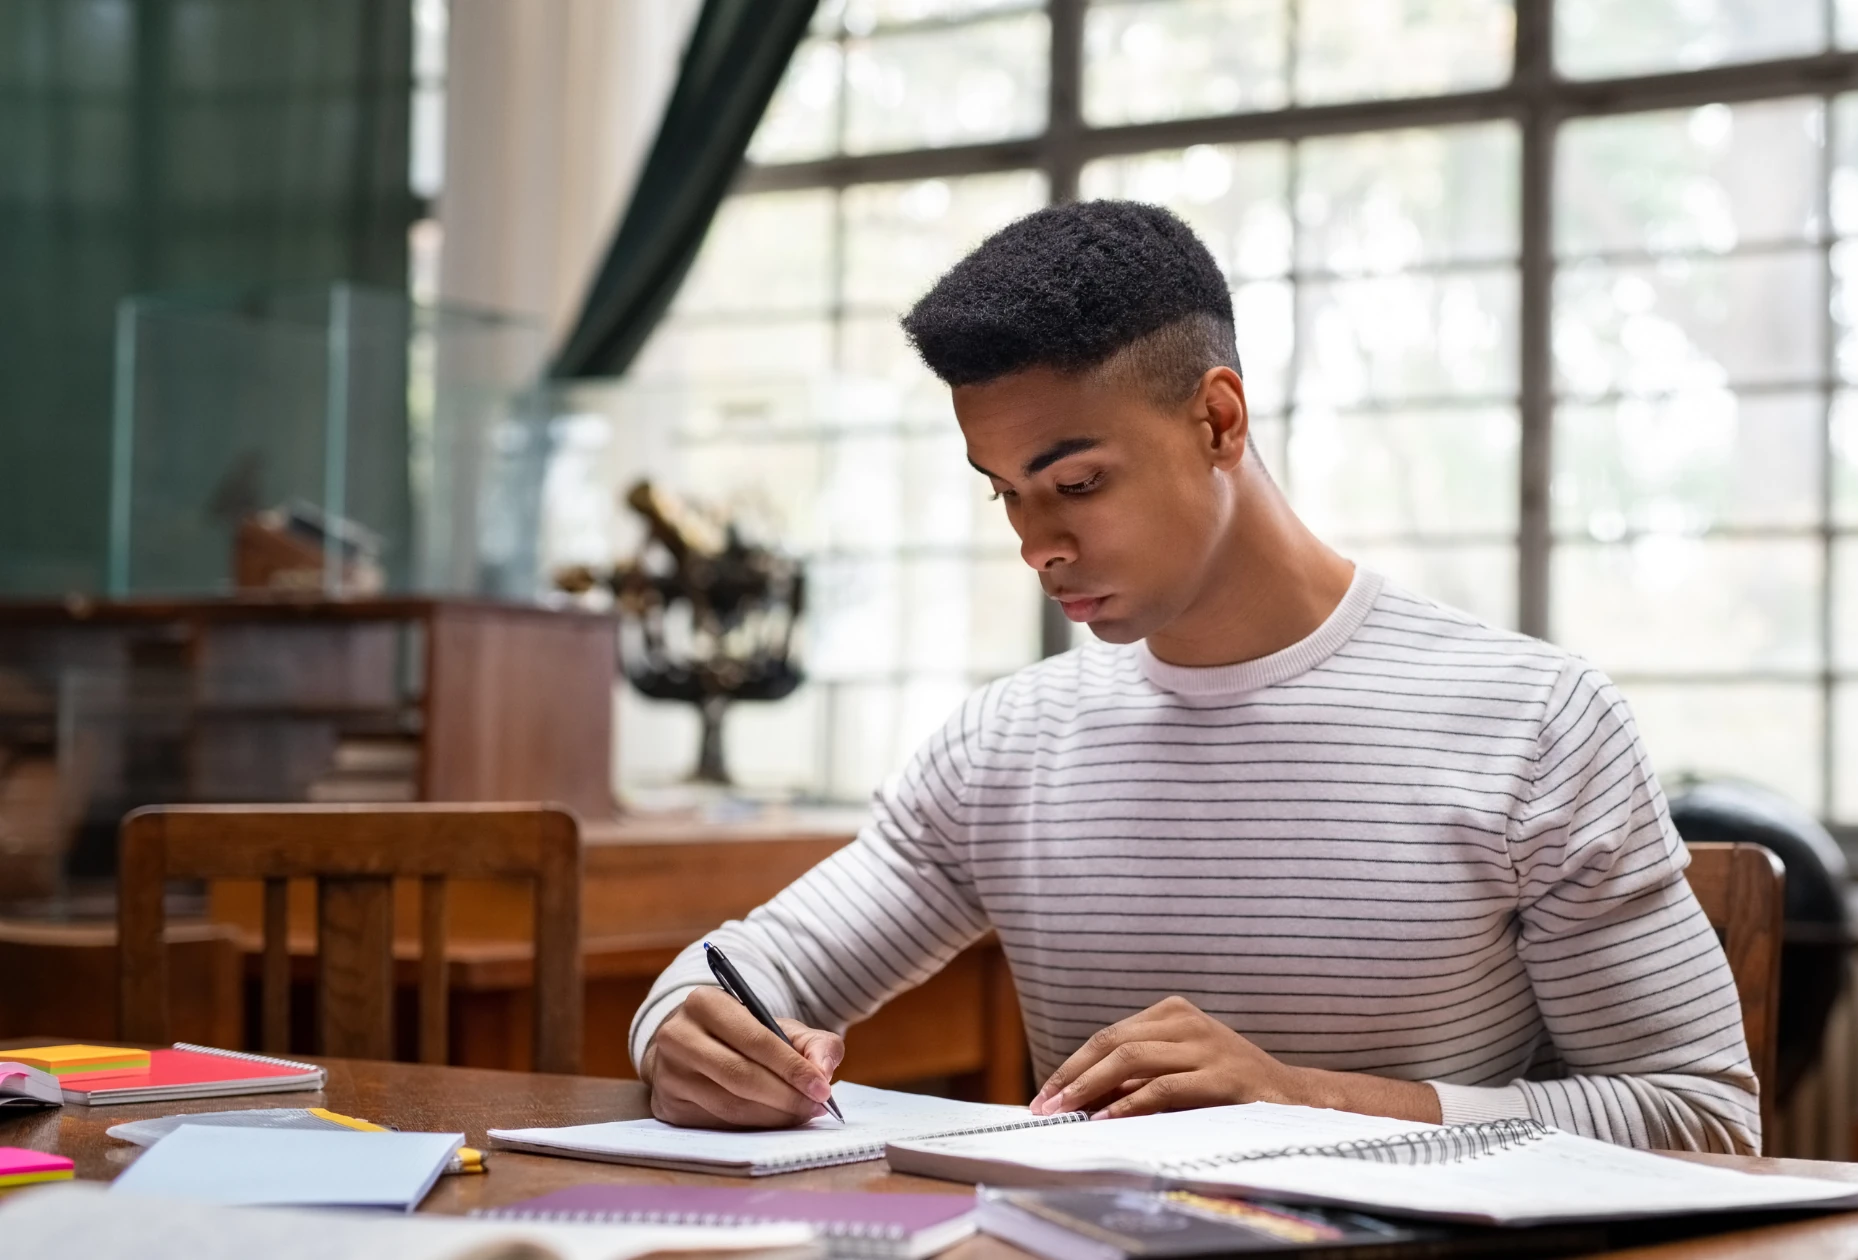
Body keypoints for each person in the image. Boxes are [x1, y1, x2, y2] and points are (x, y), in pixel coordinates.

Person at [632, 200, 1760, 1153]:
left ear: (1216, 419)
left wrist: (1302, 1098)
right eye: (1002, 493)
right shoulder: (1005, 747)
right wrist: (686, 1030)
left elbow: (1701, 1118)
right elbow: (736, 976)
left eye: (1074, 484)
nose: (1037, 547)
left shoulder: (1531, 725)